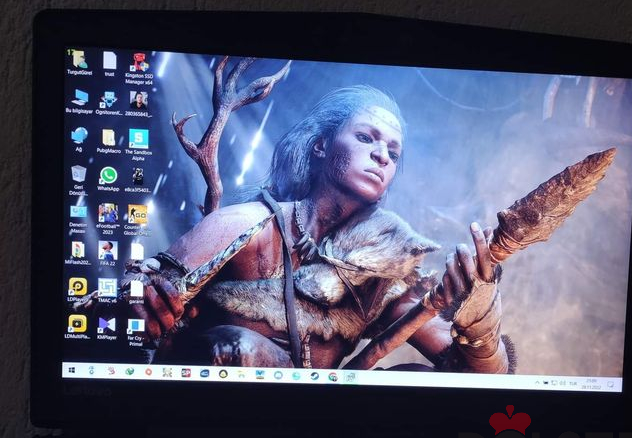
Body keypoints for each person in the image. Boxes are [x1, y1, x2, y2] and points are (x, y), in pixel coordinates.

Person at [131, 86, 511, 373]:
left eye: (393, 153)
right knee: (237, 347)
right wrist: (143, 302)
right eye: (365, 137)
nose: (382, 155)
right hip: (219, 428)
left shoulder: (379, 275)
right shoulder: (245, 225)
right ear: (321, 146)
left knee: (415, 379)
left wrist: (481, 320)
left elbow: (477, 373)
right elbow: (136, 303)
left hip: (325, 433)